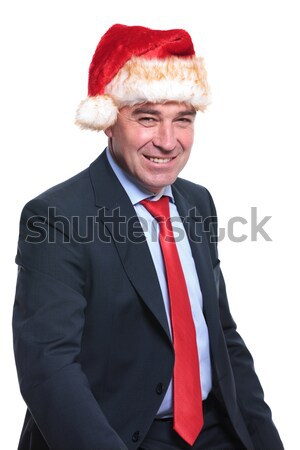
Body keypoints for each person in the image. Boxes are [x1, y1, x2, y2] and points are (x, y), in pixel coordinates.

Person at [12, 24, 284, 450]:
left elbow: (222, 336)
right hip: (121, 434)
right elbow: (49, 367)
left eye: (183, 120)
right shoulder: (57, 217)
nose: (168, 141)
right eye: (147, 118)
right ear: (107, 122)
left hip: (215, 428)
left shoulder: (197, 203)